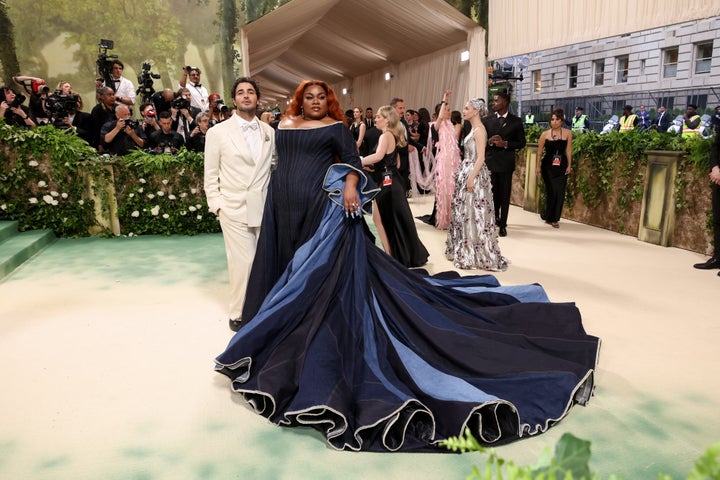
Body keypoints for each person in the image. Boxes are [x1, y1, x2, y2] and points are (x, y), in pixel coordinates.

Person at [215, 81, 599, 453]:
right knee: (290, 269)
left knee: (316, 274)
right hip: (283, 203)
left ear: (327, 101)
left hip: (320, 206)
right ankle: (285, 324)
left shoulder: (335, 127)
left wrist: (350, 184)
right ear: (300, 100)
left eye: (321, 96)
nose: (315, 101)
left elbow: (351, 163)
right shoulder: (282, 124)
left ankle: (309, 330)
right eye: (309, 96)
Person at [204, 77, 277, 332]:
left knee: (264, 260)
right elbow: (210, 174)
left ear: (257, 98)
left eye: (250, 92)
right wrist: (218, 206)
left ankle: (263, 307)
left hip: (265, 206)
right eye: (240, 92)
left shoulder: (269, 133)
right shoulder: (217, 132)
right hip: (234, 207)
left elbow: (274, 168)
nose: (246, 96)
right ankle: (239, 313)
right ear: (234, 100)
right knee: (242, 262)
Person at [361, 105, 428, 267]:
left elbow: (378, 156)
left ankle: (390, 255)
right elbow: (396, 163)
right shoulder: (391, 135)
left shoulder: (385, 136)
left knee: (381, 220)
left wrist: (359, 160)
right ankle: (398, 254)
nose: (375, 119)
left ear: (387, 119)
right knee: (395, 219)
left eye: (378, 116)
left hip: (388, 184)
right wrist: (376, 167)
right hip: (393, 180)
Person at [445, 97, 508, 271]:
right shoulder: (472, 128)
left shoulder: (480, 130)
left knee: (474, 212)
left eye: (467, 108)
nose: (464, 111)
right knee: (464, 212)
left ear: (476, 111)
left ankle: (474, 252)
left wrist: (471, 177)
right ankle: (465, 247)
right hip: (466, 171)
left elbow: (480, 157)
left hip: (474, 173)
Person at [482, 91, 526, 237]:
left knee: (505, 195)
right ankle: (492, 220)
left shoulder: (516, 121)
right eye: (493, 101)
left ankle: (503, 224)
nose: (493, 103)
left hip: (506, 164)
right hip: (490, 163)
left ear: (505, 102)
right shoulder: (487, 120)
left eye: (496, 101)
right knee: (491, 194)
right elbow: (482, 141)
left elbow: (522, 142)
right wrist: (490, 141)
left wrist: (505, 143)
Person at [536, 109, 573, 228]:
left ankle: (554, 217)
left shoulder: (568, 133)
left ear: (562, 120)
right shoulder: (545, 134)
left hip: (562, 165)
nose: (555, 121)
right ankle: (549, 216)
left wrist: (569, 165)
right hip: (548, 166)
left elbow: (568, 150)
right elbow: (539, 152)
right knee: (551, 191)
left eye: (557, 119)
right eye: (552, 119)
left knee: (560, 192)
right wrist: (537, 167)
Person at [432, 90, 462, 230]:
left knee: (453, 189)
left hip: (454, 160)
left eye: (449, 110)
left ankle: (452, 218)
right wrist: (444, 98)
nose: (448, 112)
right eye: (446, 110)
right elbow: (439, 119)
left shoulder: (451, 125)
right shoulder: (437, 125)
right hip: (444, 162)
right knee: (444, 189)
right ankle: (443, 219)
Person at [693, 125, 720, 272]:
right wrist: (715, 168)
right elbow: (715, 147)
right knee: (718, 220)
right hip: (718, 177)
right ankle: (718, 258)